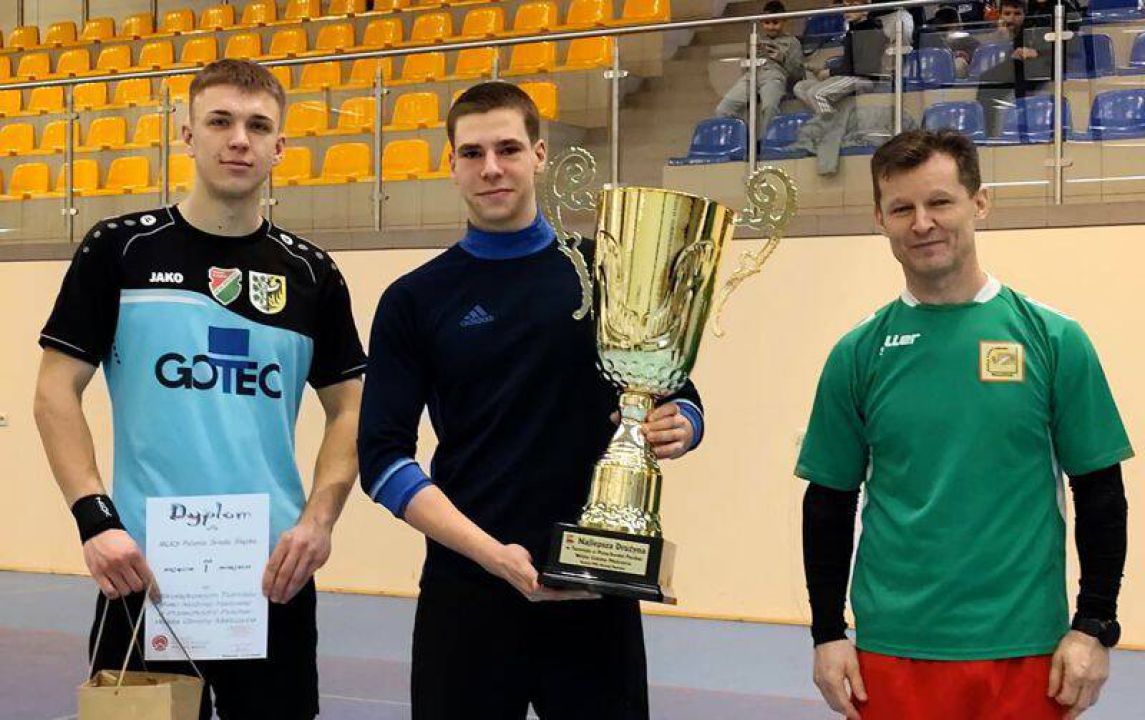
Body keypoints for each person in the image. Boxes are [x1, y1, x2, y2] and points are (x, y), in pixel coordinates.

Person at [357, 81, 706, 720]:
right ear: (451, 163)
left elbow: (676, 392)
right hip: (468, 591)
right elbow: (381, 460)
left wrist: (680, 424)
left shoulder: (607, 273)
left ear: (540, 155)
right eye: (473, 153)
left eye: (509, 149)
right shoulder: (414, 299)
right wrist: (492, 556)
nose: (491, 168)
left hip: (595, 581)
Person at [33, 59, 366, 720]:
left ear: (280, 146)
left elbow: (352, 407)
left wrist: (317, 523)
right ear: (186, 135)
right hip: (142, 571)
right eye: (220, 121)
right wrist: (95, 519)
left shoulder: (311, 274)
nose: (238, 139)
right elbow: (54, 392)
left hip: (272, 577)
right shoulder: (119, 250)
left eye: (257, 126)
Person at [797, 129, 1132, 720]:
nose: (922, 223)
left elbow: (1101, 491)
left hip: (1026, 650)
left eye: (940, 202)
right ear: (880, 219)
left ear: (979, 204)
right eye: (902, 208)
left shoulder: (1054, 339)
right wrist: (827, 632)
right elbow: (829, 500)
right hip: (892, 651)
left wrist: (1094, 625)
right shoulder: (857, 353)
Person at [795, 0, 916, 117]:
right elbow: (849, 62)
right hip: (848, 75)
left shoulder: (871, 30)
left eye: (853, 5)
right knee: (801, 87)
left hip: (864, 79)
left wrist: (830, 72)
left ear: (865, 10)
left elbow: (864, 68)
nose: (847, 10)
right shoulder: (852, 30)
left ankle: (832, 126)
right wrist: (825, 68)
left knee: (816, 94)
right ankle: (831, 117)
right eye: (845, 5)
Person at [716, 0, 804, 140]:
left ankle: (766, 143)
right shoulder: (756, 40)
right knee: (723, 109)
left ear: (784, 21)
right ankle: (740, 143)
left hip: (774, 76)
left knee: (769, 107)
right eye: (766, 22)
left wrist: (781, 58)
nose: (771, 27)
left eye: (775, 22)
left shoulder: (793, 42)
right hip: (751, 76)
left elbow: (799, 74)